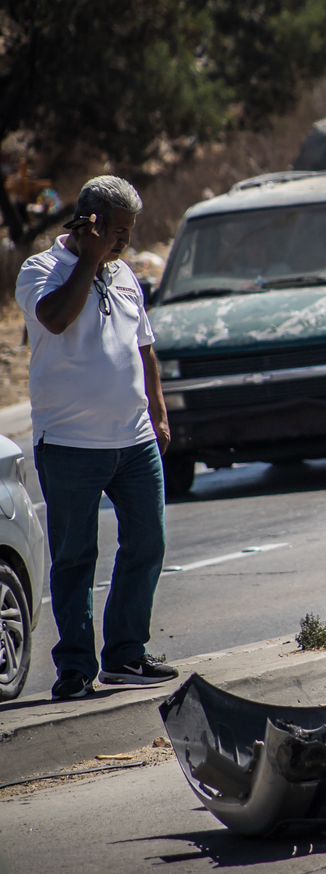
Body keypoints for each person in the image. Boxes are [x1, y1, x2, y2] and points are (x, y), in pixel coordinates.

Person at [16, 175, 176, 701]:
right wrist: (88, 259)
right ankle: (76, 668)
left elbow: (144, 346)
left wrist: (158, 409)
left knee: (147, 542)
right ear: (92, 225)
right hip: (69, 445)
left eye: (128, 234)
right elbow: (55, 319)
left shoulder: (125, 272)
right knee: (75, 557)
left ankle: (126, 655)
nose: (124, 244)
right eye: (118, 233)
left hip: (134, 441)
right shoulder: (40, 270)